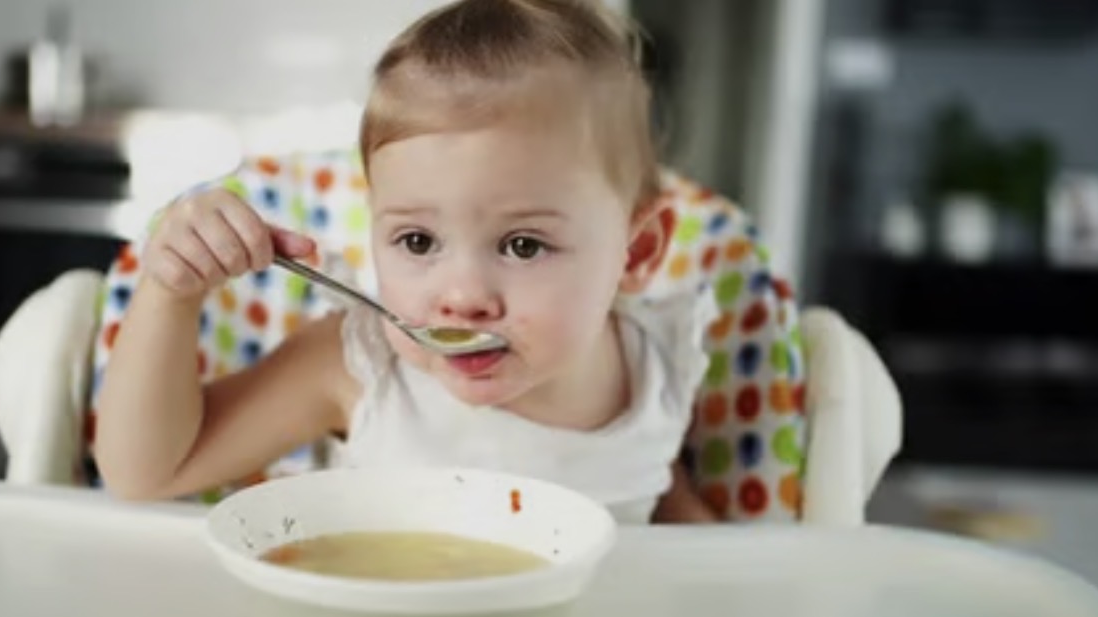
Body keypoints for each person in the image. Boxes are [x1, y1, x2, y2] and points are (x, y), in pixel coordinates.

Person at [95, 0, 719, 523]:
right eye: (418, 242)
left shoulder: (657, 368)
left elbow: (671, 529)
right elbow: (148, 473)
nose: (463, 295)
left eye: (523, 245)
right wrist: (171, 294)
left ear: (633, 253)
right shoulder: (364, 369)